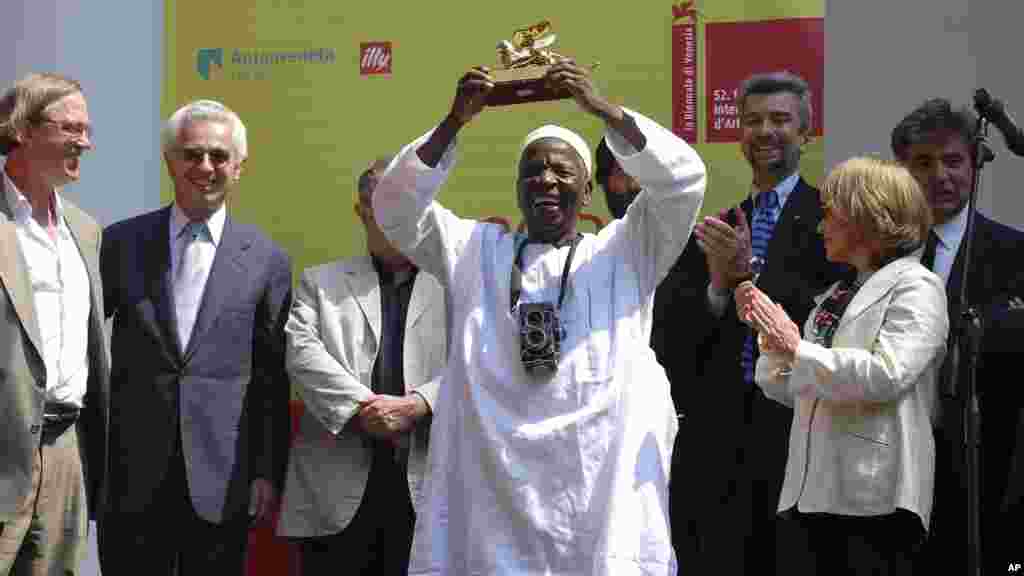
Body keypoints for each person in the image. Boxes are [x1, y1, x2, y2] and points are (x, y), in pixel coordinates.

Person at [372, 60, 706, 575]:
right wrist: (453, 122)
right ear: (518, 191)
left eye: (561, 170)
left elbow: (683, 181)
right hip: (490, 515)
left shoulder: (626, 250)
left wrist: (601, 109)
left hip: (597, 511)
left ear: (589, 192)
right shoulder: (472, 251)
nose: (545, 180)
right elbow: (392, 206)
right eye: (532, 171)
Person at [661, 70, 850, 573]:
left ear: (806, 134)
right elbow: (681, 337)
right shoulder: (719, 227)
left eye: (780, 120)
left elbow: (833, 317)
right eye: (752, 121)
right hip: (722, 435)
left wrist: (751, 275)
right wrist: (720, 287)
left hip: (799, 427)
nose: (765, 131)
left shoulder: (835, 221)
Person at [98, 100, 292, 574]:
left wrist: (266, 471)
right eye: (191, 154)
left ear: (239, 167)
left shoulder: (267, 259)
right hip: (131, 472)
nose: (205, 167)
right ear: (170, 161)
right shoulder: (120, 242)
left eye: (219, 157)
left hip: (223, 477)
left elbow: (271, 376)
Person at [736, 156, 946, 575]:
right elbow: (788, 387)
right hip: (810, 493)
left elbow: (886, 375)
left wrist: (796, 346)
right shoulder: (838, 292)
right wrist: (774, 340)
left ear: (868, 217)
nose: (820, 226)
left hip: (874, 498)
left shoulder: (917, 285)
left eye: (830, 214)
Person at [276, 157, 447, 575]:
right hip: (336, 491)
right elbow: (301, 353)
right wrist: (365, 409)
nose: (393, 213)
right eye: (381, 201)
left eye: (404, 200)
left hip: (428, 485)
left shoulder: (455, 284)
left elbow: (476, 359)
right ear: (360, 210)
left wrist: (420, 404)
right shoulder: (320, 283)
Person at [891, 98, 1024, 574]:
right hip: (897, 479)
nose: (940, 176)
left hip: (985, 474)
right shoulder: (880, 255)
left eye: (953, 161)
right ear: (901, 171)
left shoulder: (1015, 254)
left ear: (975, 163)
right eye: (923, 163)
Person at [0, 72, 109, 576]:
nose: (84, 142)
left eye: (86, 130)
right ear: (21, 128)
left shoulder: (85, 232)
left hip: (66, 449)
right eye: (70, 129)